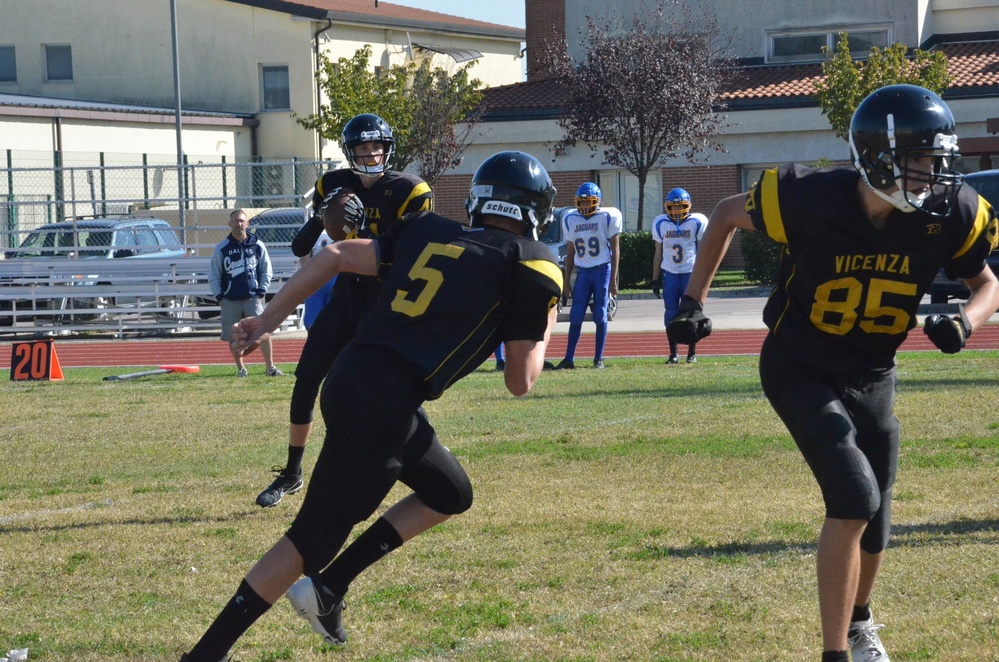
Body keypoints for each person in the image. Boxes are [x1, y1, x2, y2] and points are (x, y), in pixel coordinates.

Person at [179, 150, 563, 662]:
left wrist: (268, 319)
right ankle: (205, 654)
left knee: (450, 491)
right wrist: (547, 323)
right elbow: (521, 380)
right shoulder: (533, 263)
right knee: (309, 540)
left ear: (478, 199)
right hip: (381, 403)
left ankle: (331, 586)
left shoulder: (430, 231)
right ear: (535, 209)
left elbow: (334, 256)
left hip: (357, 380)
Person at [669, 84, 999, 662]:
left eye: (937, 158)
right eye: (920, 159)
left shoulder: (954, 213)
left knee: (877, 515)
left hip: (873, 371)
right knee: (853, 496)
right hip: (801, 363)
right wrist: (692, 301)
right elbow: (722, 215)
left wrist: (967, 322)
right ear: (877, 156)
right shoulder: (810, 197)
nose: (933, 173)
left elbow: (988, 284)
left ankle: (859, 622)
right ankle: (835, 655)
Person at [254, 113, 433, 508]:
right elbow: (303, 247)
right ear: (350, 151)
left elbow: (410, 256)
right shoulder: (332, 184)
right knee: (306, 381)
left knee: (396, 387)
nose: (371, 154)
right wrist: (326, 216)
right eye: (363, 148)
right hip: (347, 297)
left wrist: (364, 235)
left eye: (377, 147)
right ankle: (292, 472)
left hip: (387, 301)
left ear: (388, 148)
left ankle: (423, 458)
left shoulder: (410, 189)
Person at [553, 182, 622, 370]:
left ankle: (598, 358)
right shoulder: (570, 218)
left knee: (600, 314)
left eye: (588, 202)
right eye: (582, 202)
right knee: (575, 316)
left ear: (597, 202)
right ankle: (569, 359)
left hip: (602, 270)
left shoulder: (607, 216)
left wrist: (614, 279)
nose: (584, 206)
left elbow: (615, 250)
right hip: (583, 272)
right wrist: (566, 282)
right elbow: (570, 251)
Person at [208, 209, 284, 378]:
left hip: (253, 298)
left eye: (242, 221)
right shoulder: (222, 248)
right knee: (234, 336)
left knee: (263, 332)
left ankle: (270, 367)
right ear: (230, 224)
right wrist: (220, 296)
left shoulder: (257, 245)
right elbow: (214, 275)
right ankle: (241, 368)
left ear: (247, 223)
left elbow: (266, 270)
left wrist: (262, 290)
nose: (239, 224)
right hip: (230, 299)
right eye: (235, 221)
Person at [652, 188, 708, 364]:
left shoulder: (696, 222)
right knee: (670, 314)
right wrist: (654, 279)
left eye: (680, 206)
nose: (677, 210)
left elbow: (703, 252)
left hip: (690, 274)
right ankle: (673, 353)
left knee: (692, 314)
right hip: (670, 274)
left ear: (688, 206)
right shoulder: (661, 223)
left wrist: (703, 277)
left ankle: (692, 353)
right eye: (673, 207)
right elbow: (658, 253)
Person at [300, 228, 336, 330]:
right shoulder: (342, 227)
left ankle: (315, 343)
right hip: (336, 276)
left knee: (313, 322)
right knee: (334, 320)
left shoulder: (311, 232)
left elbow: (304, 259)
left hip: (316, 278)